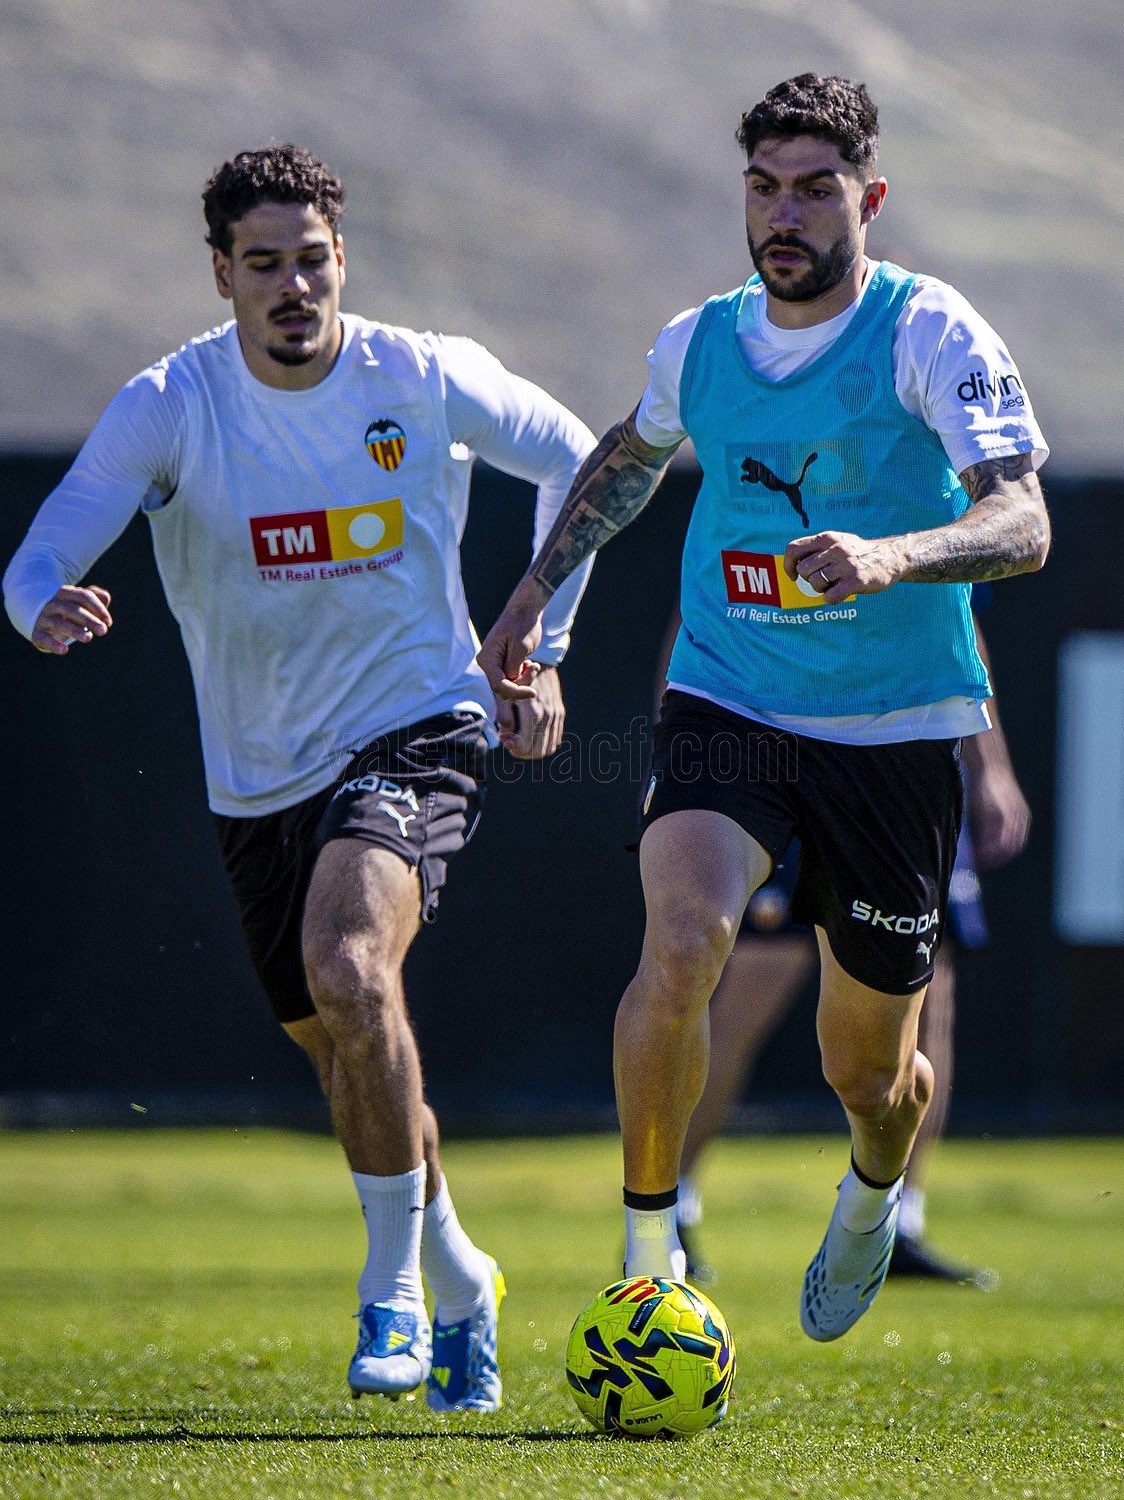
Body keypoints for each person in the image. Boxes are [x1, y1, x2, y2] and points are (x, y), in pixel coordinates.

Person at [4, 145, 596, 1406]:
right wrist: (34, 604)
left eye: (310, 261)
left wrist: (537, 640)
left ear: (343, 261)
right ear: (221, 274)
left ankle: (386, 1300)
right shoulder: (172, 403)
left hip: (416, 728)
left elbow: (581, 458)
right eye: (261, 265)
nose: (291, 287)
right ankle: (459, 1273)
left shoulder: (420, 373)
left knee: (350, 966)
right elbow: (44, 543)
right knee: (349, 1048)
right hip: (255, 784)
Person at [478, 74, 1049, 1342]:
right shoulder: (699, 339)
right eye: (761, 186)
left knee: (870, 1070)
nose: (781, 212)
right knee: (681, 944)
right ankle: (647, 1262)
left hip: (894, 728)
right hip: (726, 695)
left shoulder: (927, 331)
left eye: (811, 187)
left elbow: (1023, 521)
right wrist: (530, 596)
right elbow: (629, 457)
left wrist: (895, 555)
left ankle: (868, 1198)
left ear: (868, 198)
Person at [676, 668, 1032, 1287]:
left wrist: (991, 763)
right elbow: (699, 608)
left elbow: (961, 625)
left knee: (928, 1007)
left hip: (908, 763)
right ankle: (668, 1208)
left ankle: (897, 1224)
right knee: (743, 998)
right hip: (789, 755)